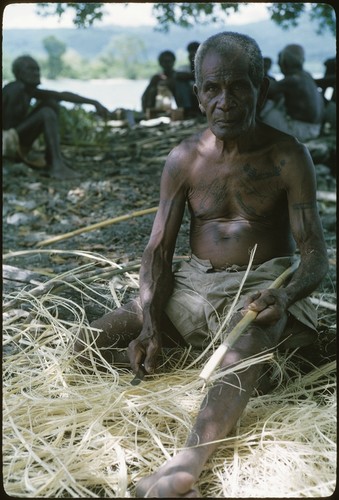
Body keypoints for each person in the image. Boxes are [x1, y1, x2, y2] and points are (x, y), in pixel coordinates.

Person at [74, 32, 328, 497]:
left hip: (264, 280)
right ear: (198, 95)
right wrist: (149, 322)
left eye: (238, 87)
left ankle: (185, 464)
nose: (224, 101)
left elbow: (314, 251)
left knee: (249, 336)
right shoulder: (185, 158)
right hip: (194, 283)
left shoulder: (288, 156)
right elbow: (157, 254)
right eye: (212, 89)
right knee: (91, 341)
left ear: (262, 90)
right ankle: (186, 352)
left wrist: (286, 295)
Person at [2, 55, 110, 179]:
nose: (36, 73)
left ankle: (52, 158)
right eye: (31, 69)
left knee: (51, 103)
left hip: (14, 139)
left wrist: (94, 102)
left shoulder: (28, 90)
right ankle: (56, 166)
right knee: (45, 113)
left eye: (37, 69)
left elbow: (61, 95)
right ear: (19, 74)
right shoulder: (15, 88)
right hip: (6, 142)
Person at [260, 44, 324, 142]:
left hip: (303, 131)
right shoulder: (306, 75)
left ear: (284, 63)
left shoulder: (293, 80)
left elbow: (265, 89)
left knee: (263, 109)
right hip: (314, 129)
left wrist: (259, 74)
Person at [141, 49, 197, 117]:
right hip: (162, 108)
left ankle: (187, 111)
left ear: (173, 62)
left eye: (169, 61)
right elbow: (144, 96)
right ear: (160, 63)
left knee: (180, 83)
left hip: (181, 108)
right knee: (153, 89)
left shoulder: (180, 76)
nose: (167, 64)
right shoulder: (157, 78)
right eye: (164, 62)